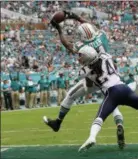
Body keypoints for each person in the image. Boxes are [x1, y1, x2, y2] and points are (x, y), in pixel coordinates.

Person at [44, 11, 125, 149]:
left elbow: (67, 45)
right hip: (109, 74)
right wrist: (77, 17)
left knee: (70, 95)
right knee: (112, 101)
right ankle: (119, 124)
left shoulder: (83, 46)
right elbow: (89, 25)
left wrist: (59, 29)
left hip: (92, 78)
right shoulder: (102, 35)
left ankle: (58, 122)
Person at [69, 46, 138, 152]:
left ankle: (92, 137)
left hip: (112, 93)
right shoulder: (106, 56)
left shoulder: (84, 71)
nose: (79, 59)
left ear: (87, 57)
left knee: (100, 117)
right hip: (123, 88)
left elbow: (89, 86)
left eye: (81, 56)